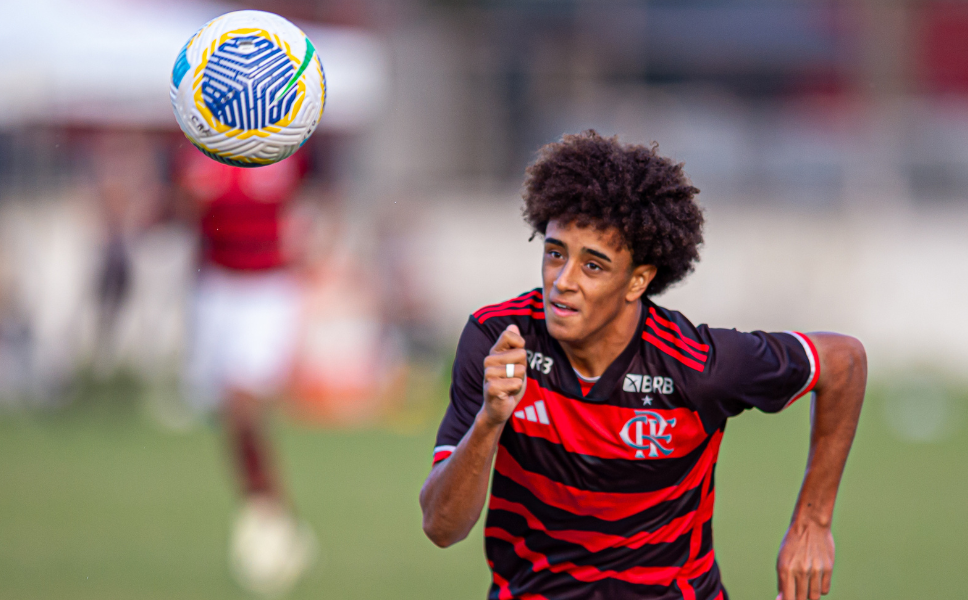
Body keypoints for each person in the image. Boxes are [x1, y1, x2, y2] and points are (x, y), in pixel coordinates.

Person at [419, 131, 866, 600]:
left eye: (593, 266)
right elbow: (441, 527)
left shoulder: (696, 366)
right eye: (555, 254)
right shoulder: (499, 341)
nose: (562, 282)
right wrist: (490, 420)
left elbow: (844, 362)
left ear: (637, 281)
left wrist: (812, 524)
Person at [177, 146, 315, 596]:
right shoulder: (203, 141)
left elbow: (310, 197)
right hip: (216, 288)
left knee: (243, 404)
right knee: (229, 418)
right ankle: (270, 513)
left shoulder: (282, 139)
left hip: (266, 287)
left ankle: (271, 514)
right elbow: (185, 210)